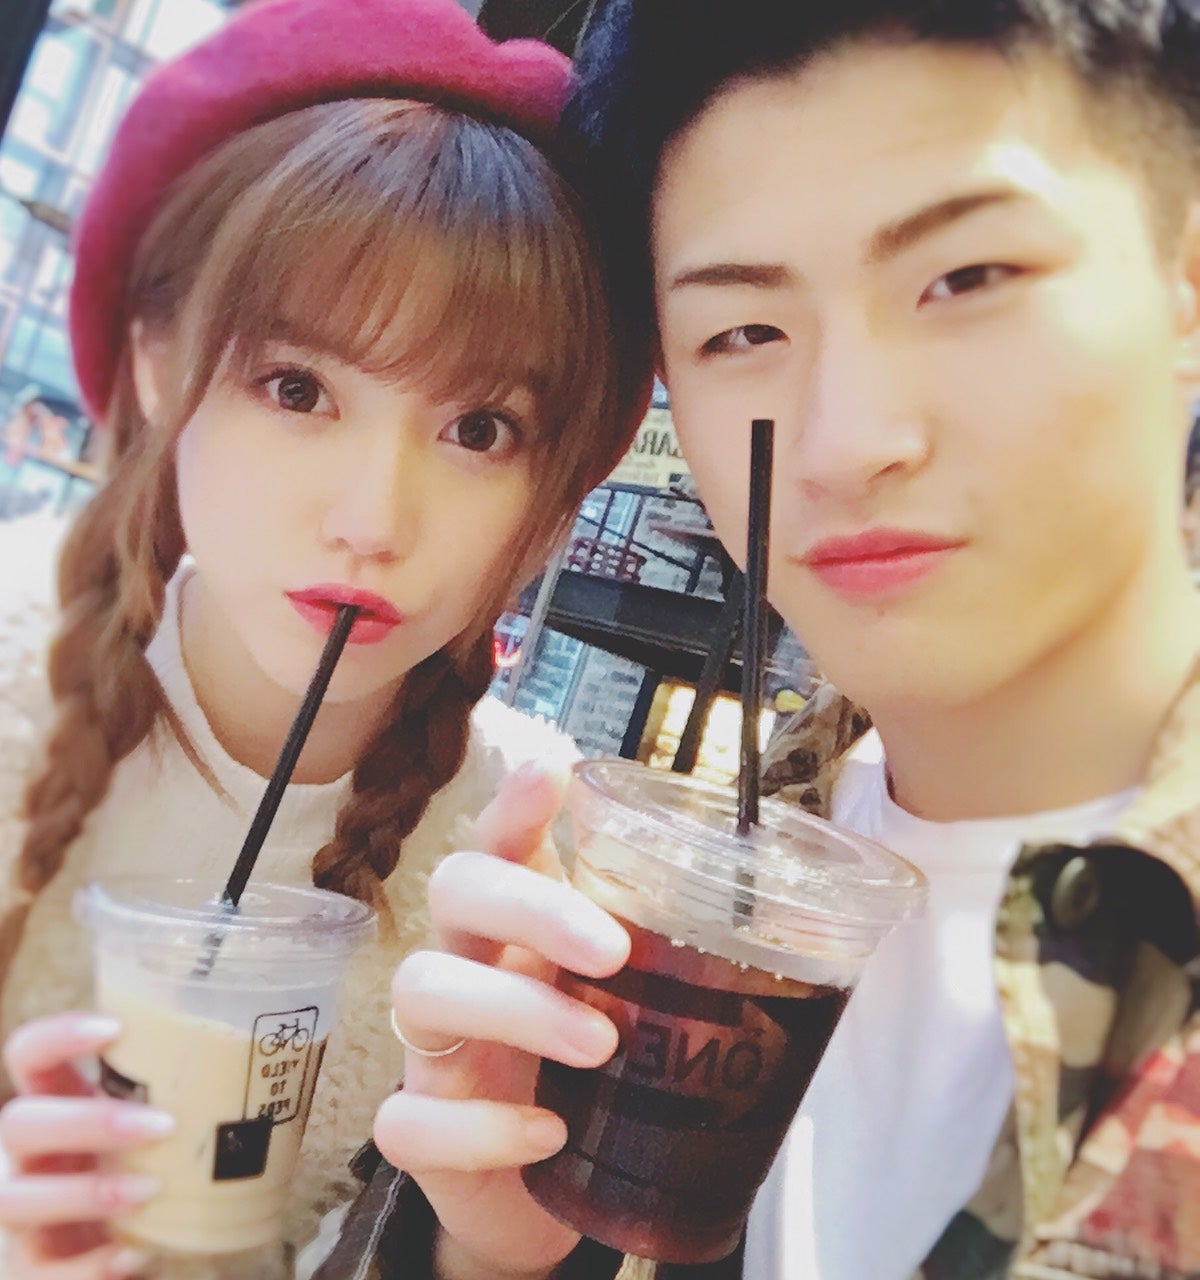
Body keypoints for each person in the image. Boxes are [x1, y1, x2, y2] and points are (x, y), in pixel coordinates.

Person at [310, 2, 1200, 1278]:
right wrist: (495, 1250)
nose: (844, 440)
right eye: (742, 333)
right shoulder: (691, 912)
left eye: (964, 278)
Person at [0, 0, 649, 1275]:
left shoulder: (520, 873)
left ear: (559, 486)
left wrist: (489, 1251)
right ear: (157, 361)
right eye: (297, 387)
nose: (372, 519)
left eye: (478, 429)